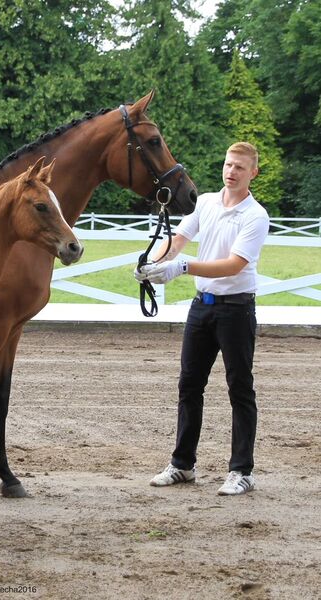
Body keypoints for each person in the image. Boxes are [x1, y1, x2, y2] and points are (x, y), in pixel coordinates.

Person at [134, 142, 269, 496]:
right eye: (228, 164)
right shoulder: (206, 202)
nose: (231, 171)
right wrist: (153, 261)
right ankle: (182, 464)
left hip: (236, 308)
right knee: (189, 385)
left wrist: (182, 267)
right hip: (202, 307)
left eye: (240, 167)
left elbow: (234, 265)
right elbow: (177, 240)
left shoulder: (256, 216)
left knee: (240, 387)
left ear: (252, 172)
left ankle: (242, 470)